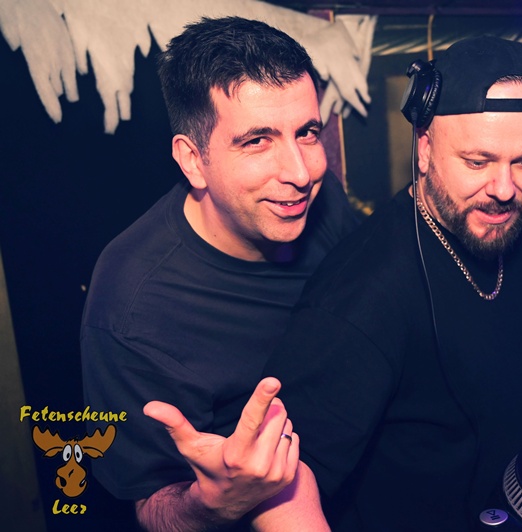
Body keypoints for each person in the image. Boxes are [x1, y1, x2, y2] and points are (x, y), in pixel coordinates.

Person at [265, 35, 522, 532]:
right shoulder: (360, 298)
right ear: (425, 148)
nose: (504, 189)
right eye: (478, 162)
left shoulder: (501, 227)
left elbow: (454, 340)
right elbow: (279, 491)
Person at [80, 17, 357, 531]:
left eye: (307, 133)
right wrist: (217, 503)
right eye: (257, 141)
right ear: (193, 160)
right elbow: (151, 507)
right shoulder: (131, 308)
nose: (300, 173)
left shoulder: (317, 202)